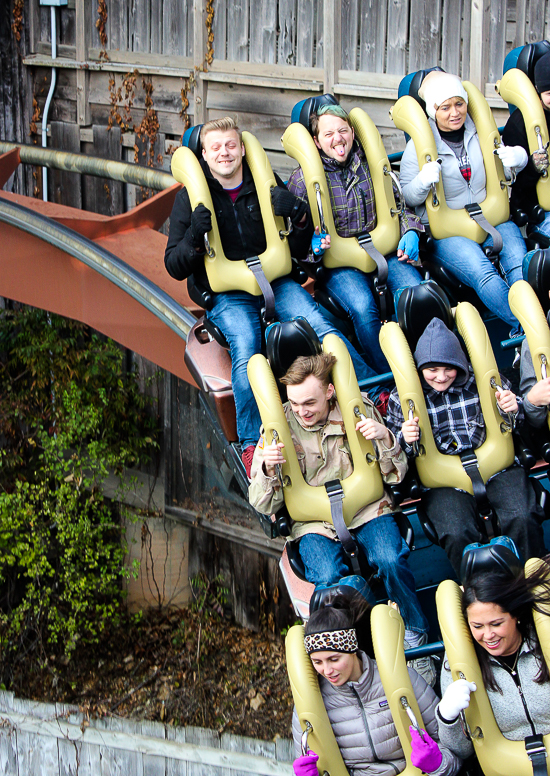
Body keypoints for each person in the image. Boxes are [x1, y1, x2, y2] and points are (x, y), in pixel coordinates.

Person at [164, 117, 378, 477]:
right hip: (229, 294)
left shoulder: (263, 180)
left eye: (231, 145)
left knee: (320, 326)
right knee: (247, 347)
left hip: (277, 281)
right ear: (204, 154)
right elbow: (174, 264)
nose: (225, 153)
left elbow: (297, 244)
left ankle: (371, 392)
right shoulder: (191, 198)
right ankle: (250, 444)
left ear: (243, 148)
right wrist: (192, 240)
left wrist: (296, 214)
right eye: (215, 147)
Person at [249, 352, 432, 666]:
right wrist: (267, 469)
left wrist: (386, 439)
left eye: (310, 402)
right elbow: (263, 503)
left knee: (389, 558)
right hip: (314, 522)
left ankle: (415, 634)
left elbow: (397, 475)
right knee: (328, 579)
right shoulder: (278, 429)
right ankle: (358, 650)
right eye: (295, 403)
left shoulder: (356, 408)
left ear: (329, 391)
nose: (301, 411)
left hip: (367, 508)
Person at [386, 317, 546, 576]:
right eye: (432, 370)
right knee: (456, 532)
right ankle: (480, 597)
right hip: (444, 481)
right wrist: (404, 437)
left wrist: (513, 407)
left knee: (522, 516)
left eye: (449, 368)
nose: (441, 377)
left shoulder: (482, 381)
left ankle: (535, 582)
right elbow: (394, 452)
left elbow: (518, 422)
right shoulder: (402, 398)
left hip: (496, 467)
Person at [287, 103, 424, 380]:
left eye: (342, 130)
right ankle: (389, 377)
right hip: (340, 265)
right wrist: (312, 248)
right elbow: (294, 240)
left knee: (415, 293)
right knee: (363, 307)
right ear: (316, 141)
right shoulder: (302, 181)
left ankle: (428, 364)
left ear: (352, 131)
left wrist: (411, 229)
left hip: (383, 251)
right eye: (328, 134)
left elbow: (399, 204)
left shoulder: (371, 164)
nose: (337, 139)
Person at [399, 71, 530, 336]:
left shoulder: (481, 132)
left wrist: (518, 159)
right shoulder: (418, 146)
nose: (454, 113)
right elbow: (406, 198)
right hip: (447, 231)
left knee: (518, 260)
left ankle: (531, 321)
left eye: (459, 104)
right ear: (433, 110)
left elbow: (502, 177)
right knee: (482, 271)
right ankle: (527, 329)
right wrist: (423, 181)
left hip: (490, 215)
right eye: (445, 107)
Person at [292, 594, 462, 776]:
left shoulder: (403, 679)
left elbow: (452, 749)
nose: (327, 670)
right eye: (317, 662)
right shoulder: (312, 702)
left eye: (334, 659)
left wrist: (437, 764)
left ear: (352, 649)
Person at [437, 559, 550, 760]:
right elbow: (461, 751)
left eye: (496, 624)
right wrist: (448, 717)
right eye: (478, 626)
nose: (488, 635)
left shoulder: (544, 641)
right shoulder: (458, 662)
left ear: (515, 616)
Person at [502, 50, 550, 235]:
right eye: (549, 93)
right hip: (538, 210)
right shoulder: (521, 123)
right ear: (537, 92)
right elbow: (513, 182)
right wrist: (533, 166)